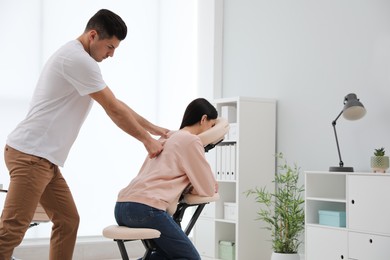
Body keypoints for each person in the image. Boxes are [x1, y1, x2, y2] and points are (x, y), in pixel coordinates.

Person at [0, 9, 169, 260]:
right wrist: (147, 141)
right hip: (31, 155)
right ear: (93, 36)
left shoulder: (78, 58)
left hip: (44, 159)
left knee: (68, 221)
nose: (111, 54)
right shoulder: (77, 60)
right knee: (11, 231)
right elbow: (113, 109)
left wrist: (155, 130)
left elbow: (117, 103)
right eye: (110, 46)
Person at [115, 98, 219, 260]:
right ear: (204, 119)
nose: (210, 130)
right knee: (191, 258)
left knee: (163, 254)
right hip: (146, 209)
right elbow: (207, 188)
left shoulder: (165, 137)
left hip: (121, 208)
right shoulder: (191, 141)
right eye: (211, 125)